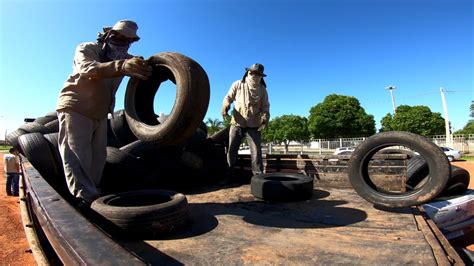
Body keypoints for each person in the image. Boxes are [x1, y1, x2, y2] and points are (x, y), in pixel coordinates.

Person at [56, 20, 153, 207]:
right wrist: (122, 66)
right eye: (118, 36)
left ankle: (92, 197)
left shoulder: (125, 58)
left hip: (100, 113)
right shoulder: (87, 48)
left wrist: (148, 67)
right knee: (77, 157)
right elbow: (87, 68)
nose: (121, 42)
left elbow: (146, 67)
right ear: (108, 35)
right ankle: (84, 201)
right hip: (76, 107)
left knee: (97, 161)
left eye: (127, 40)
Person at [221, 63, 270, 178]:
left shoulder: (263, 90)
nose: (254, 75)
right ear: (248, 72)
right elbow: (228, 97)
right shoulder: (238, 84)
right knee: (232, 149)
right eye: (252, 72)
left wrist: (264, 119)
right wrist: (225, 105)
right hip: (237, 123)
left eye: (258, 74)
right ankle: (228, 175)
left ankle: (258, 178)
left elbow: (265, 107)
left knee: (256, 152)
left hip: (254, 125)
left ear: (261, 76)